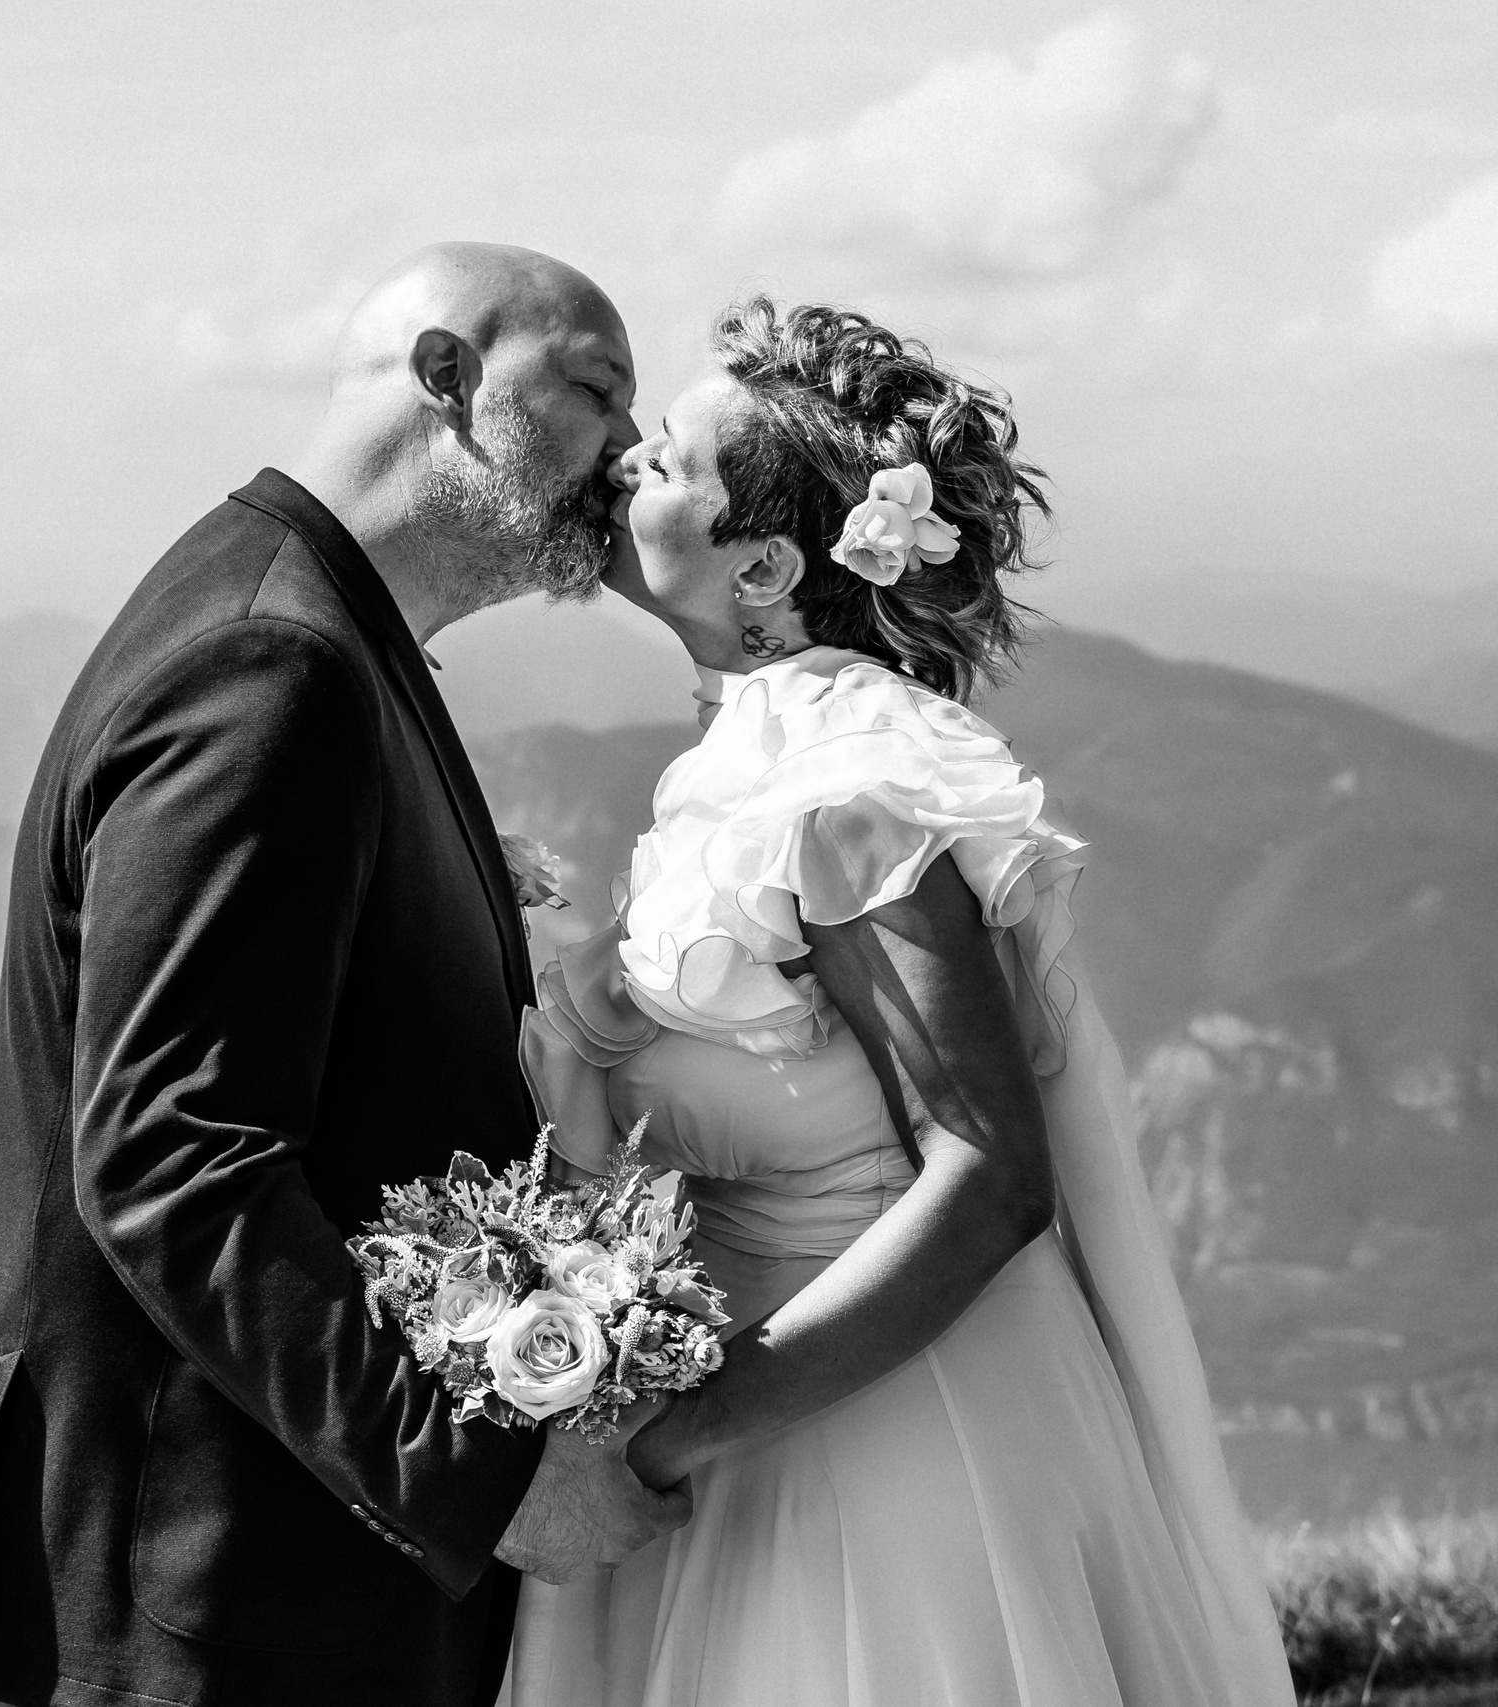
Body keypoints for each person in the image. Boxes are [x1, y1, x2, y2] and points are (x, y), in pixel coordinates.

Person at [0, 242, 689, 1707]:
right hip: (198, 1610)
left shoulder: (330, 638)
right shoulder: (269, 665)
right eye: (596, 390)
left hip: (245, 1589)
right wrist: (483, 1480)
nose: (629, 449)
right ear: (447, 380)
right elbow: (178, 1159)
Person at [509, 297, 1298, 1706]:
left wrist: (668, 1436)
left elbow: (990, 1174)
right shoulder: (760, 753)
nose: (626, 459)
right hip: (782, 1424)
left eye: (671, 461)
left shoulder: (847, 785)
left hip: (893, 1450)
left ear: (761, 561)